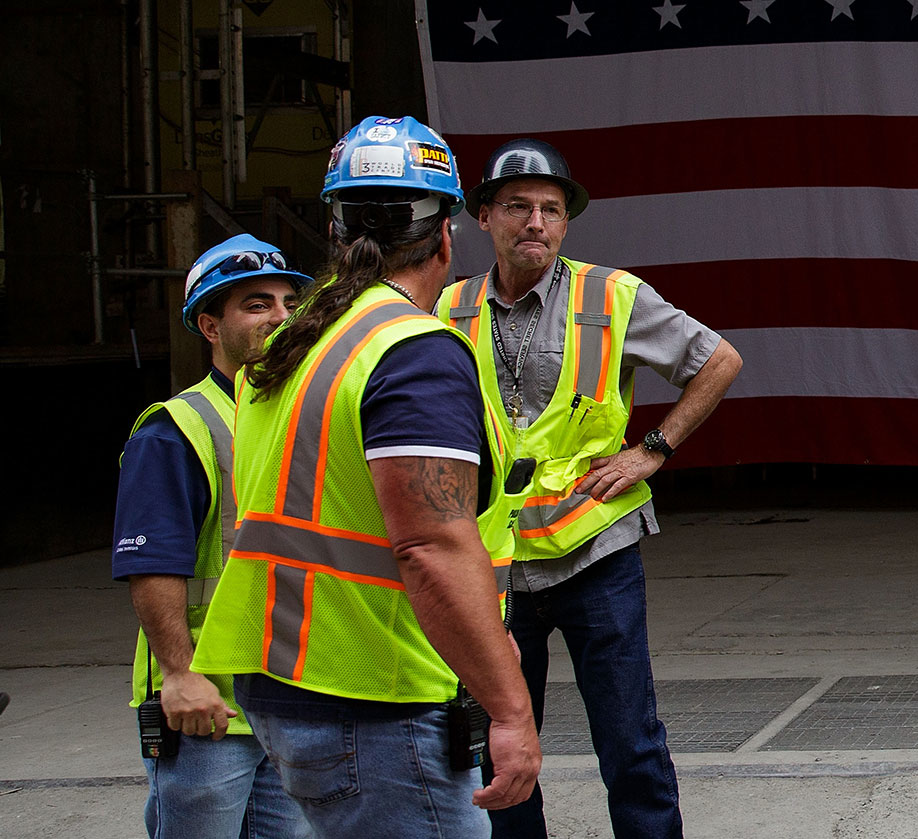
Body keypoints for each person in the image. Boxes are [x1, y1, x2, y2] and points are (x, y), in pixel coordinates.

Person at [192, 116, 540, 838]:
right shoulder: (411, 350)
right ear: (446, 237)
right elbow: (430, 547)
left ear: (335, 227)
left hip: (288, 677)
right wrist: (509, 708)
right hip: (374, 692)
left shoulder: (296, 340)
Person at [437, 138, 742, 838]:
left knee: (630, 742)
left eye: (551, 209)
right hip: (492, 564)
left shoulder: (611, 296)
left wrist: (652, 451)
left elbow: (720, 359)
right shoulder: (446, 308)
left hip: (595, 550)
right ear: (484, 216)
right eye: (517, 206)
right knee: (501, 749)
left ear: (566, 221)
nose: (535, 222)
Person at [112, 234, 312, 838]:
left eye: (289, 302)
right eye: (256, 304)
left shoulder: (300, 414)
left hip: (292, 699)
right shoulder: (176, 429)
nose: (280, 316)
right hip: (210, 708)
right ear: (210, 326)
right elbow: (153, 564)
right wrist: (178, 674)